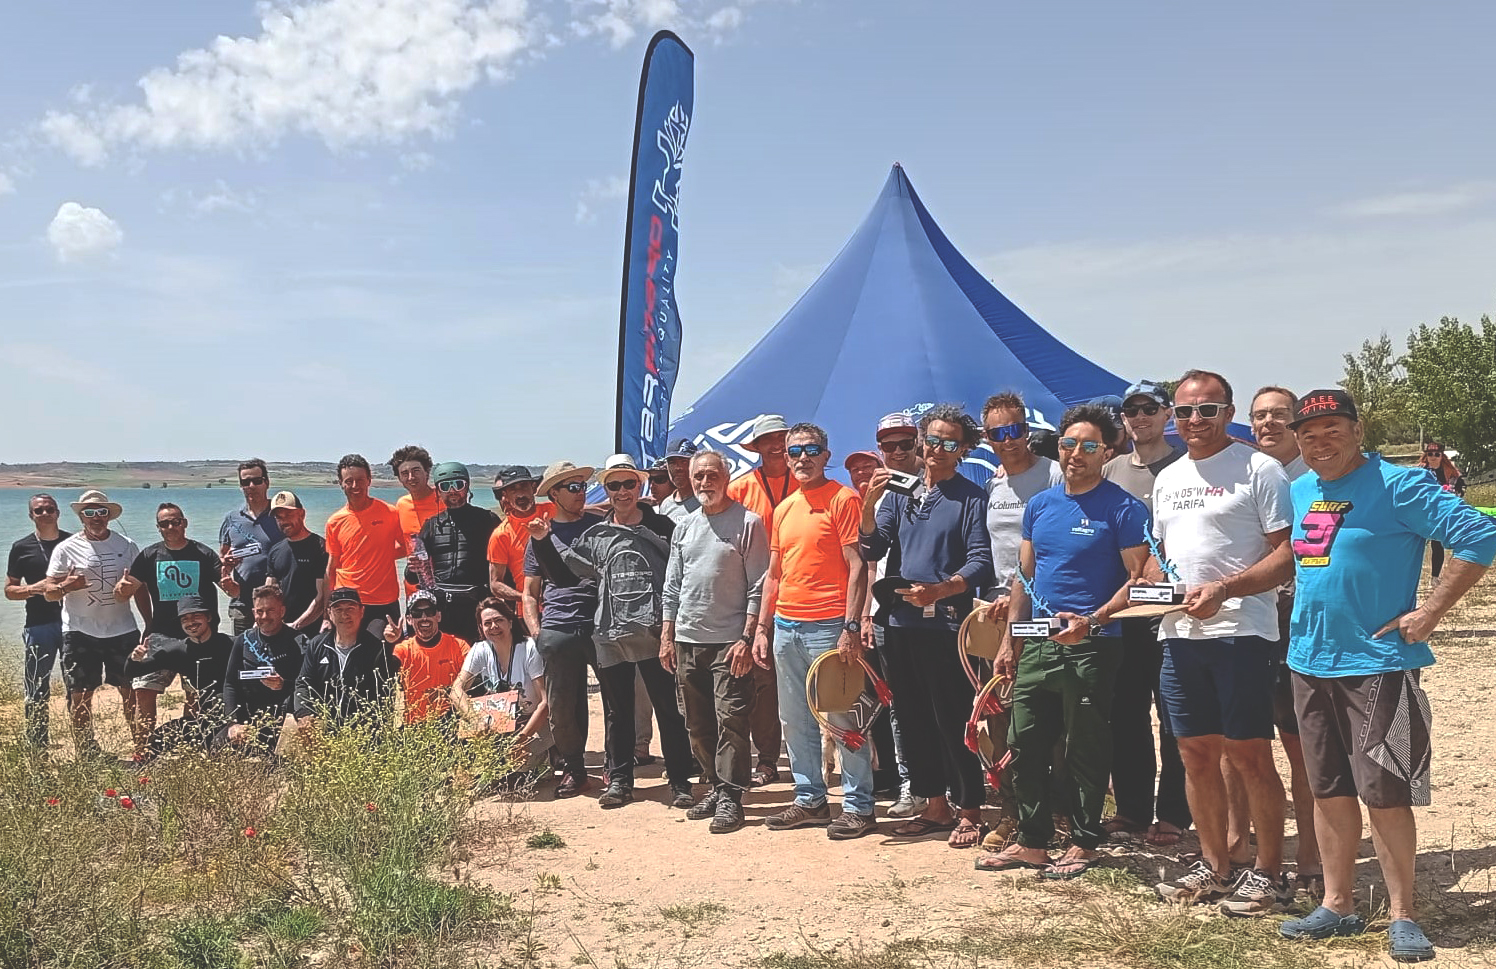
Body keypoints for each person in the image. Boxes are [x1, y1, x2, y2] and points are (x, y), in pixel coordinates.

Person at [1277, 390, 1496, 963]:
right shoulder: (1302, 489)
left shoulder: (1400, 485)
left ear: (1357, 430)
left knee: (1385, 793)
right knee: (1327, 789)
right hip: (1309, 662)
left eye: (1333, 429)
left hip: (1378, 666)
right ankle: (1337, 904)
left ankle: (1403, 915)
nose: (1320, 442)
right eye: (1309, 434)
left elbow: (1479, 536)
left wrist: (1430, 612)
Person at [977, 404, 1150, 877]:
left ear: (1107, 452)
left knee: (1085, 745)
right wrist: (1010, 642)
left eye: (1089, 446)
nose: (1077, 454)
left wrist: (1092, 620)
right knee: (1024, 741)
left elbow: (1138, 580)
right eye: (1069, 444)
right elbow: (1024, 577)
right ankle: (1032, 841)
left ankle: (1085, 841)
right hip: (1038, 642)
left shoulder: (1124, 508)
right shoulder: (1040, 506)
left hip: (1094, 644)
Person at [1150, 369, 1294, 915]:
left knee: (1250, 754)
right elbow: (1160, 557)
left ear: (1228, 413)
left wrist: (1226, 589)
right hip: (1179, 634)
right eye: (1184, 411)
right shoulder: (1168, 477)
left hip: (1242, 633)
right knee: (1194, 754)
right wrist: (1144, 590)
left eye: (1207, 410)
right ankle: (1215, 867)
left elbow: (1286, 555)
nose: (1195, 420)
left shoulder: (1259, 468)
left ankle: (1270, 874)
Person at [861, 405, 994, 849]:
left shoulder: (971, 497)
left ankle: (969, 808)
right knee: (913, 716)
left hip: (946, 625)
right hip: (899, 621)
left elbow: (981, 561)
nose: (937, 449)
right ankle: (935, 805)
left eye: (949, 443)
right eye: (932, 440)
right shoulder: (901, 492)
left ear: (964, 449)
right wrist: (868, 504)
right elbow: (872, 548)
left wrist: (941, 590)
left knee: (951, 717)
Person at [529, 454, 693, 808]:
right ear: (606, 490)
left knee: (668, 709)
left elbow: (684, 575)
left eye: (629, 483)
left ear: (640, 485)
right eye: (614, 485)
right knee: (618, 712)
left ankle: (680, 781)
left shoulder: (663, 527)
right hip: (610, 635)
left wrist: (674, 629)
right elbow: (566, 577)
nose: (622, 492)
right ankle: (619, 781)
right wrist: (542, 540)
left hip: (654, 634)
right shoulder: (596, 534)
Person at [755, 422, 873, 839]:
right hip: (786, 625)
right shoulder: (785, 508)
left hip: (829, 626)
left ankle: (858, 806)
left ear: (826, 455)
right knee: (794, 719)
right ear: (786, 458)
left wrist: (851, 625)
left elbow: (858, 566)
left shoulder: (843, 499)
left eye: (811, 450)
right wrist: (763, 627)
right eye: (795, 451)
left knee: (842, 718)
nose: (802, 458)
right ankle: (810, 799)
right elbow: (774, 574)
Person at [1100, 380, 1191, 848]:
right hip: (1125, 612)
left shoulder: (1187, 464)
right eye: (1131, 410)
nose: (1140, 417)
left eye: (1149, 408)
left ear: (1167, 414)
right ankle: (1133, 810)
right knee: (1126, 714)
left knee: (1175, 716)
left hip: (1176, 610)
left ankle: (1174, 813)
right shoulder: (1110, 469)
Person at [660, 450, 770, 833]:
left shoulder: (748, 522)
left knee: (732, 720)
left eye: (712, 475)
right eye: (699, 476)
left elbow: (759, 584)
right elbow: (672, 585)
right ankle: (716, 785)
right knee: (696, 723)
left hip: (729, 642)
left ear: (726, 477)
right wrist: (667, 635)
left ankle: (731, 798)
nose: (705, 482)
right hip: (687, 640)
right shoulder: (684, 526)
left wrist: (747, 637)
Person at [1246, 385, 1322, 893]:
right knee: (1244, 744)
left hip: (1300, 624)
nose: (1268, 423)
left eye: (1279, 415)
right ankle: (1244, 851)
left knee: (1302, 748)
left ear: (1295, 423)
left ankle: (1311, 858)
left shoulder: (1317, 481)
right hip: (1253, 625)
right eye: (1260, 416)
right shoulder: (1248, 476)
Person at [43, 490, 149, 756]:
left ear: (109, 516)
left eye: (101, 512)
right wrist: (67, 586)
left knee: (131, 691)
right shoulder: (66, 548)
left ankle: (140, 749)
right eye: (89, 512)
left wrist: (150, 622)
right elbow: (49, 592)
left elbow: (141, 588)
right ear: (81, 517)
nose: (96, 517)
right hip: (79, 631)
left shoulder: (127, 545)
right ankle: (87, 752)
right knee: (80, 694)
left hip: (122, 629)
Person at [522, 460, 605, 797]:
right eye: (572, 487)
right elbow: (530, 593)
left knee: (617, 700)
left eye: (582, 486)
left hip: (600, 624)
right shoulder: (540, 536)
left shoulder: (599, 526)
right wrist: (537, 632)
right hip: (558, 626)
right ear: (554, 494)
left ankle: (617, 768)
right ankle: (575, 769)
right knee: (563, 705)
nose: (580, 492)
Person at [729, 413, 798, 787]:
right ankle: (766, 759)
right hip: (755, 597)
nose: (775, 445)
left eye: (781, 438)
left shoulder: (806, 482)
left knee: (801, 682)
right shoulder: (740, 489)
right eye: (767, 440)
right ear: (756, 447)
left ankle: (811, 761)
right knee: (760, 681)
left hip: (803, 594)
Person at [126, 502, 228, 755]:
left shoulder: (203, 553)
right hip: (161, 636)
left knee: (195, 696)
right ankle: (142, 752)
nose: (171, 527)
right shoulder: (149, 555)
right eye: (164, 523)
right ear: (158, 527)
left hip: (198, 638)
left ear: (185, 523)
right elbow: (130, 589)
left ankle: (190, 749)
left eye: (176, 521)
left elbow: (229, 587)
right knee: (143, 690)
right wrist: (146, 619)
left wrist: (232, 580)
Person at [867, 412, 925, 819]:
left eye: (906, 443)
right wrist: (869, 503)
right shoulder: (887, 494)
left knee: (942, 705)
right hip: (892, 614)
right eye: (890, 445)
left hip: (938, 612)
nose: (898, 451)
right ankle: (912, 784)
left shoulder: (939, 482)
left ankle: (950, 787)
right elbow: (871, 548)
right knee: (901, 707)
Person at [451, 597, 554, 774]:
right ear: (481, 627)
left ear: (510, 622)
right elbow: (456, 690)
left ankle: (545, 758)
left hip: (534, 722)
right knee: (484, 760)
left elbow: (546, 702)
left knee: (516, 764)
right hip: (500, 722)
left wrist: (521, 740)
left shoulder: (529, 648)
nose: (494, 627)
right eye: (487, 623)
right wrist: (475, 719)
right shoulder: (480, 649)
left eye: (499, 620)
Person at [124, 594, 234, 745]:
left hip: (235, 715)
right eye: (185, 619)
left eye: (196, 616)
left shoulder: (231, 644)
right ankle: (142, 756)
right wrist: (134, 658)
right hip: (205, 719)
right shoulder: (178, 651)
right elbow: (132, 672)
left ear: (208, 617)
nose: (191, 623)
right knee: (157, 741)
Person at [6, 493, 71, 749]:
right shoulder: (21, 547)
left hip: (74, 624)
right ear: (31, 515)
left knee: (77, 687)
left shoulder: (73, 543)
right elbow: (10, 590)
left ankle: (84, 744)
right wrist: (35, 588)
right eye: (39, 510)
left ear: (58, 513)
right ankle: (37, 745)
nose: (45, 513)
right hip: (38, 625)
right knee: (36, 687)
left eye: (49, 509)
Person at [982, 392, 1064, 593]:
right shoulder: (992, 485)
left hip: (1041, 595)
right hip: (998, 596)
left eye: (1014, 430)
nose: (1008, 440)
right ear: (987, 438)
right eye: (998, 434)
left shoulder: (1056, 476)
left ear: (1026, 431)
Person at [410, 462, 499, 644]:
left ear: (467, 486)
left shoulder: (487, 520)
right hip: (442, 607)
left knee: (481, 656)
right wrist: (413, 567)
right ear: (438, 492)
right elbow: (412, 576)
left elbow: (503, 565)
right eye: (445, 486)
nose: (452, 491)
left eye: (458, 484)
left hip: (478, 604)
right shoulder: (431, 525)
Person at [323, 454, 408, 640]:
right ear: (341, 483)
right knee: (349, 651)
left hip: (383, 600)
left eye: (360, 480)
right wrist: (326, 615)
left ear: (369, 480)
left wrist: (381, 554)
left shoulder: (389, 513)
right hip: (347, 600)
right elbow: (332, 567)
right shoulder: (334, 522)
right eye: (349, 481)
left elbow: (406, 546)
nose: (355, 486)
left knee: (382, 648)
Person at [295, 586, 401, 728]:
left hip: (362, 729)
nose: (344, 615)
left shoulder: (375, 648)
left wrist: (390, 644)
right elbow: (303, 683)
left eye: (350, 609)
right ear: (329, 613)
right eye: (338, 609)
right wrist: (304, 713)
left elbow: (386, 686)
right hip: (324, 726)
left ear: (362, 611)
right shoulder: (317, 645)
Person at [221, 582, 303, 755]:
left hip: (280, 717)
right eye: (260, 611)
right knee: (216, 748)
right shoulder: (243, 640)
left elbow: (306, 686)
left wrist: (284, 685)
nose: (265, 616)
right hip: (247, 715)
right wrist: (233, 723)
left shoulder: (299, 642)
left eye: (271, 610)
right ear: (253, 613)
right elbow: (230, 684)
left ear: (282, 611)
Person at [219, 459, 285, 635]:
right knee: (244, 649)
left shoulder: (280, 515)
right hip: (242, 603)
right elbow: (223, 557)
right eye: (245, 482)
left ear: (267, 482)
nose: (251, 486)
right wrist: (227, 565)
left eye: (257, 481)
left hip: (277, 603)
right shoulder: (232, 519)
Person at [388, 590, 469, 725]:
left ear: (438, 616)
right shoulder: (403, 650)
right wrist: (388, 644)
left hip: (452, 723)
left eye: (429, 612)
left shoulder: (459, 646)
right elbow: (384, 671)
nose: (424, 617)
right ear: (409, 619)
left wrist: (446, 692)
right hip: (416, 726)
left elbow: (475, 683)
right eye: (417, 613)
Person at [487, 466, 554, 602]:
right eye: (513, 489)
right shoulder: (501, 535)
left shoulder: (553, 510)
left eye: (523, 485)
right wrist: (528, 598)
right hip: (528, 610)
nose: (520, 494)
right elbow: (495, 584)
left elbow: (584, 512)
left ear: (533, 488)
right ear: (505, 495)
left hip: (563, 603)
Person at [265, 491, 328, 632]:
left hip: (313, 630)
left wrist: (295, 626)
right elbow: (270, 592)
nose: (284, 521)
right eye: (279, 517)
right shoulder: (275, 551)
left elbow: (321, 597)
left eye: (288, 515)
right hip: (282, 629)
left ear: (302, 514)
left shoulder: (320, 548)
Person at [1417, 442, 1465, 580]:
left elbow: (1461, 489)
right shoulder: (1419, 471)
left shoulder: (1451, 472)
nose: (1433, 457)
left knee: (1437, 545)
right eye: (1430, 454)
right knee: (1415, 544)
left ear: (1441, 456)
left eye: (1437, 454)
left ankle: (1435, 577)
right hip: (1422, 512)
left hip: (1442, 513)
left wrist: (1452, 493)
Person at [656, 438, 702, 521]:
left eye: (684, 462)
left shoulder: (708, 500)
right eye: (672, 462)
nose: (678, 468)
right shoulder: (666, 505)